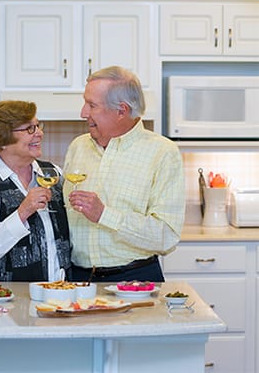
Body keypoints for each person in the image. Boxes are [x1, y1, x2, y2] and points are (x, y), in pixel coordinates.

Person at [63, 66, 185, 283]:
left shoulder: (162, 153)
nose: (83, 113)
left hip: (136, 280)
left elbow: (166, 236)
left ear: (121, 110)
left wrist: (104, 214)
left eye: (92, 105)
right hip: (77, 280)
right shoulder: (78, 147)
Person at [0, 100, 71, 281]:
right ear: (2, 139)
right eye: (30, 129)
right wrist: (22, 212)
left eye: (38, 126)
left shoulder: (52, 173)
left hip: (58, 299)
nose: (40, 133)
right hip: (5, 302)